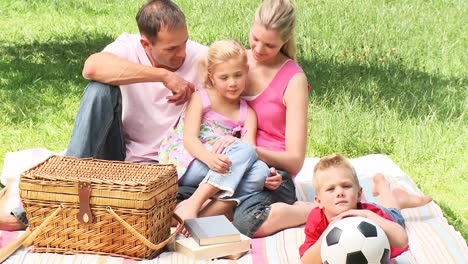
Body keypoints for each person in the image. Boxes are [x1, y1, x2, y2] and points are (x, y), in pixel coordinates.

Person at [0, 0, 207, 230]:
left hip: (168, 169)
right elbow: (91, 67)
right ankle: (57, 195)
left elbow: (239, 75)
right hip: (119, 158)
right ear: (145, 44)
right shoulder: (128, 46)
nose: (182, 53)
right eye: (171, 49)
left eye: (184, 43)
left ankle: (58, 205)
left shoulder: (200, 57)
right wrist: (161, 76)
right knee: (99, 88)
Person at [178, 0, 313, 238]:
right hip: (227, 165)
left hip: (270, 173)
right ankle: (214, 205)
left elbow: (295, 160)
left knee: (248, 222)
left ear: (285, 40)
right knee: (171, 195)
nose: (259, 50)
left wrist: (250, 150)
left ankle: (310, 211)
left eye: (269, 45)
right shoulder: (236, 62)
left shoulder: (293, 79)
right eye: (255, 38)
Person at [158, 39, 269, 221]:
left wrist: (235, 142)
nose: (232, 83)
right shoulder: (201, 98)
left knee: (261, 172)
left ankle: (195, 215)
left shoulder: (247, 113)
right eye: (224, 77)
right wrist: (210, 158)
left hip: (221, 165)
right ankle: (196, 203)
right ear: (211, 77)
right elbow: (190, 140)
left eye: (238, 75)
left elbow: (250, 149)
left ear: (246, 71)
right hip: (190, 161)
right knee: (247, 168)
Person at [299, 154, 433, 263]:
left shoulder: (371, 214)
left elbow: (402, 241)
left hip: (385, 215)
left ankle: (387, 190)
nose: (340, 192)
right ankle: (391, 192)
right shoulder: (317, 219)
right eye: (330, 189)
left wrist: (369, 216)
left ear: (358, 194)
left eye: (346, 186)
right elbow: (307, 260)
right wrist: (327, 234)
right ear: (319, 201)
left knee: (393, 211)